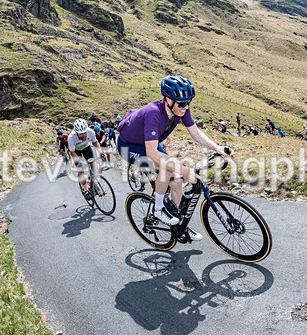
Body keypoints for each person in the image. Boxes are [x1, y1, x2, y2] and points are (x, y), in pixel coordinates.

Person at [117, 75, 230, 236]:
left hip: (149, 143)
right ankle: (158, 209)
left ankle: (179, 226)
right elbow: (152, 154)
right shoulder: (152, 113)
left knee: (176, 182)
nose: (185, 107)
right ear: (167, 100)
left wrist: (218, 148)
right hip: (129, 146)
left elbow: (195, 132)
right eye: (182, 104)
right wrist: (185, 171)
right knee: (168, 169)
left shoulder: (181, 109)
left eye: (188, 103)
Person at [68, 119, 105, 196]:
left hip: (86, 147)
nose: (84, 135)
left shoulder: (90, 132)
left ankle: (93, 182)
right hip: (76, 151)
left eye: (85, 133)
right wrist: (79, 162)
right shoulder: (71, 137)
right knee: (80, 170)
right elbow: (72, 152)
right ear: (76, 132)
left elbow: (95, 143)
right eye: (81, 134)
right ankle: (85, 189)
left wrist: (101, 153)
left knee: (93, 164)